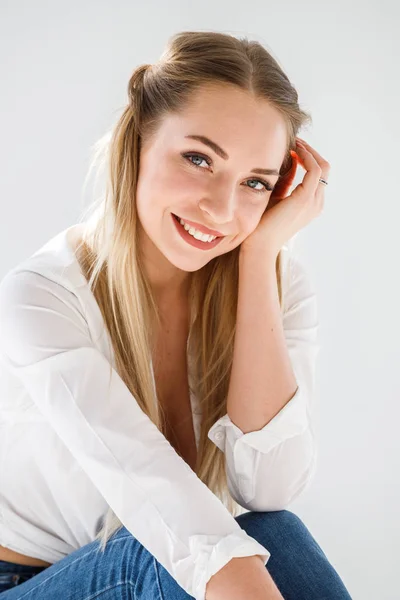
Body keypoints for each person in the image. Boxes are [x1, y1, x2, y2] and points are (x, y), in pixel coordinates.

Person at [0, 29, 350, 600]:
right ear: (138, 141)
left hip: (164, 579)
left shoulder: (276, 286)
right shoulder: (41, 298)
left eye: (255, 182)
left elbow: (269, 488)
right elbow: (173, 523)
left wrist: (258, 259)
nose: (222, 208)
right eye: (198, 158)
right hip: (29, 583)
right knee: (159, 553)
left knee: (275, 534)